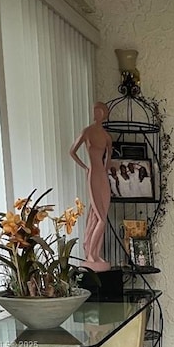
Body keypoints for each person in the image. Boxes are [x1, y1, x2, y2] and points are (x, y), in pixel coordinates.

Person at [69, 102, 113, 271]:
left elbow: (108, 160)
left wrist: (110, 166)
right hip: (93, 174)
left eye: (97, 112)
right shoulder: (87, 132)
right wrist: (85, 167)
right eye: (94, 111)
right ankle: (90, 254)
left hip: (102, 175)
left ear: (102, 114)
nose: (94, 114)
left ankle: (96, 253)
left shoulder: (107, 137)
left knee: (100, 215)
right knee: (100, 217)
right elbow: (72, 151)